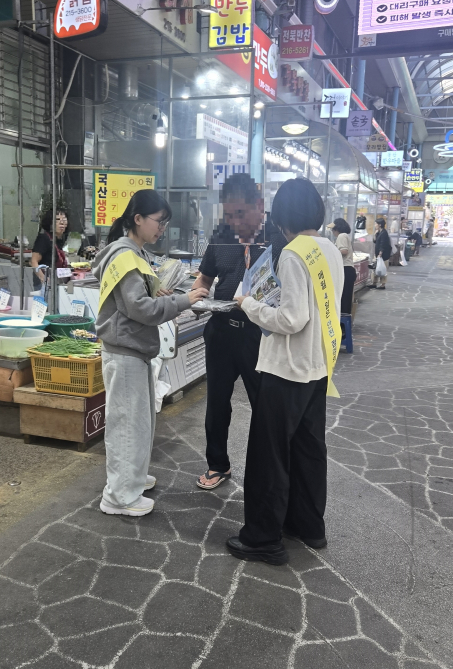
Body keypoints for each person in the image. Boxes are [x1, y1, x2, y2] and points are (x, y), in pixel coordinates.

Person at [225, 178, 343, 565]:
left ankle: (262, 539)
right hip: (317, 367)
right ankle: (308, 526)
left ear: (283, 216)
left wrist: (248, 304)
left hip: (286, 369)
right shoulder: (329, 249)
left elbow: (292, 318)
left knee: (268, 456)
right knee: (309, 451)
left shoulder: (294, 253)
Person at [92, 190, 208, 517]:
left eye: (165, 222)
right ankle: (118, 497)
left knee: (140, 423)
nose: (162, 228)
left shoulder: (136, 253)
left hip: (135, 349)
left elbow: (138, 300)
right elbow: (140, 308)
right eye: (158, 221)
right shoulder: (125, 255)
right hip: (125, 349)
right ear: (138, 218)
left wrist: (161, 291)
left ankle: (133, 480)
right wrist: (185, 300)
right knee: (127, 425)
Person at [192, 173, 285, 491]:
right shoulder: (221, 236)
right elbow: (204, 279)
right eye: (229, 216)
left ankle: (266, 469)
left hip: (260, 335)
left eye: (240, 215)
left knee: (265, 403)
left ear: (259, 206)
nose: (234, 222)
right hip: (221, 330)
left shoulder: (279, 237)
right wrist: (197, 297)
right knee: (217, 401)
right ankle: (218, 464)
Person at [31, 209, 69, 288]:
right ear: (50, 223)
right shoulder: (44, 238)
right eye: (57, 220)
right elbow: (33, 262)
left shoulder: (59, 239)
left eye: (64, 220)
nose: (61, 222)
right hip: (44, 285)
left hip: (56, 282)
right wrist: (44, 279)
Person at [327, 218, 355, 315]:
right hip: (348, 269)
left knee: (343, 297)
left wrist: (331, 253)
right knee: (345, 297)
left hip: (345, 269)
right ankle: (344, 321)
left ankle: (342, 322)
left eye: (333, 229)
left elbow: (344, 251)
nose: (332, 231)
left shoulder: (341, 236)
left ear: (337, 228)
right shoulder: (345, 236)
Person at [368, 216, 392, 290]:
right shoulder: (379, 232)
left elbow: (383, 244)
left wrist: (380, 253)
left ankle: (382, 285)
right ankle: (374, 283)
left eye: (376, 224)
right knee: (375, 268)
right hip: (378, 254)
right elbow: (375, 241)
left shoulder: (384, 233)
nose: (375, 225)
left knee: (382, 269)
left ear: (380, 225)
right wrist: (375, 234)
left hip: (382, 255)